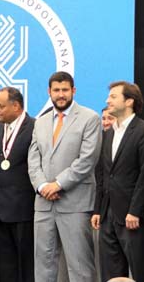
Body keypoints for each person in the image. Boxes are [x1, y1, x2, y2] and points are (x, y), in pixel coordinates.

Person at [28, 71, 102, 282]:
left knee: (80, 267)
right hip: (43, 204)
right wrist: (43, 186)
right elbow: (33, 160)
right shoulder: (40, 122)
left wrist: (58, 184)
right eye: (56, 90)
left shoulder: (90, 118)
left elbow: (87, 160)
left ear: (73, 91)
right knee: (43, 266)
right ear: (49, 92)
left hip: (75, 203)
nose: (61, 95)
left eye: (65, 90)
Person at [92, 81, 144, 281]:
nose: (107, 100)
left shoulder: (140, 130)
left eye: (113, 96)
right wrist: (98, 209)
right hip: (108, 216)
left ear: (129, 101)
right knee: (111, 273)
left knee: (138, 270)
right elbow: (103, 174)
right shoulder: (109, 132)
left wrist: (135, 210)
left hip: (133, 217)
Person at [0, 87, 35, 282]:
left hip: (24, 209)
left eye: (1, 106)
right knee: (6, 264)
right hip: (0, 209)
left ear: (16, 106)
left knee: (27, 263)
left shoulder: (35, 126)